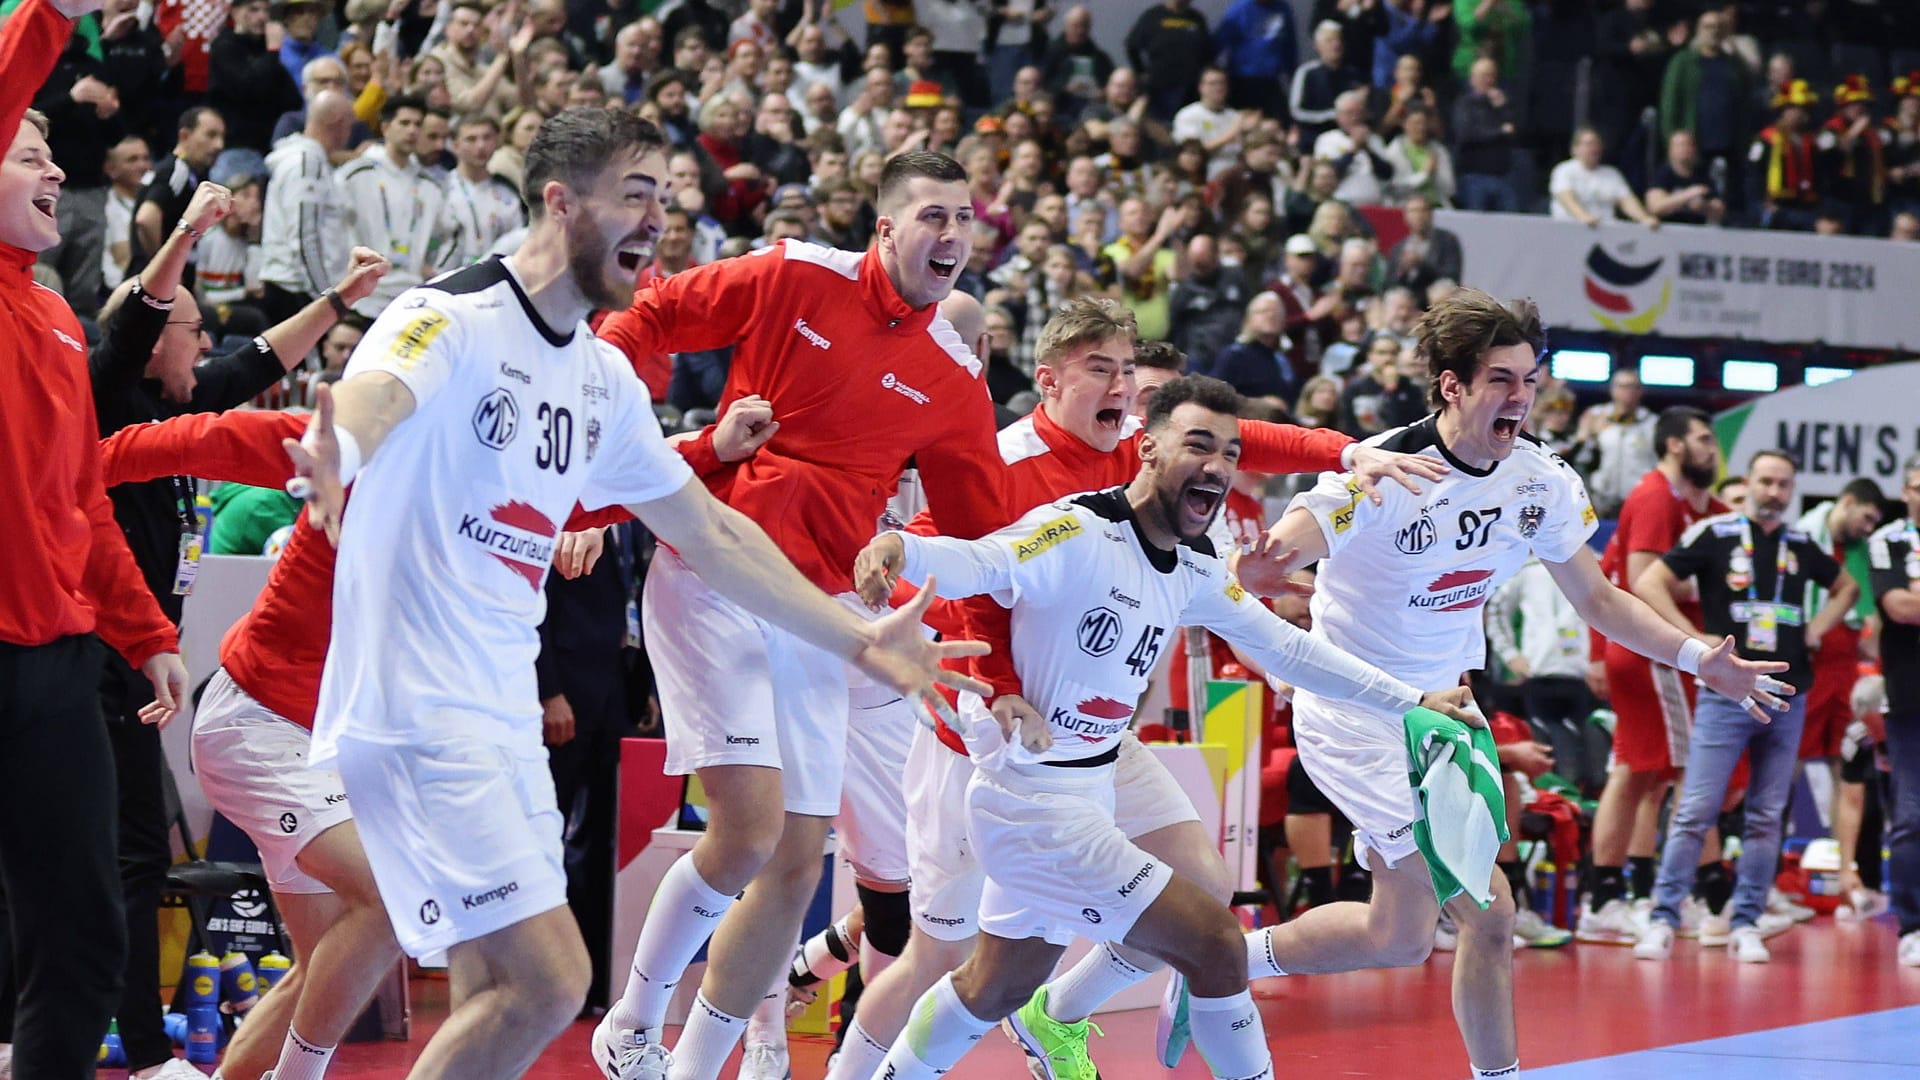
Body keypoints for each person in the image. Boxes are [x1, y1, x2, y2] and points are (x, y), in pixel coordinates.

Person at [280, 111, 983, 1080]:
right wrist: (338, 448)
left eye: (665, 196)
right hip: (420, 705)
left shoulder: (600, 378)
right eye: (635, 195)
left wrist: (863, 641)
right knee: (548, 981)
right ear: (562, 201)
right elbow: (377, 397)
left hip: (504, 713)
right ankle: (646, 1034)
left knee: (499, 990)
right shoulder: (446, 315)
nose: (658, 219)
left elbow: (711, 525)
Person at [823, 300, 1444, 1080]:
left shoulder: (1189, 565)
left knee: (998, 982)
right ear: (1145, 447)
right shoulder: (1068, 520)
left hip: (1089, 771)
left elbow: (1287, 648)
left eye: (1227, 453)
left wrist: (1413, 703)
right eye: (1197, 446)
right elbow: (981, 562)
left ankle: (1026, 1025)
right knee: (1207, 947)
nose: (1218, 464)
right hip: (1008, 774)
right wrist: (896, 551)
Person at [1240, 288, 1791, 1080]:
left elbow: (1600, 600)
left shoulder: (1539, 481)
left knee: (1398, 935)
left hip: (1446, 716)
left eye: (1530, 380)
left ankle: (1226, 961)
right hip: (1356, 711)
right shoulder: (1382, 469)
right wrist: (1264, 566)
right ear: (1452, 385)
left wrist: (1704, 658)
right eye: (1501, 380)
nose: (1521, 398)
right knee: (1492, 912)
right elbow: (1281, 551)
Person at [587, 148, 1012, 1080]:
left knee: (797, 857)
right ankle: (633, 1020)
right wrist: (603, 423)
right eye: (931, 216)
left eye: (963, 219)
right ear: (885, 228)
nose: (950, 234)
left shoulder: (952, 376)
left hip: (825, 613)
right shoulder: (792, 273)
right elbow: (650, 316)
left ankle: (697, 1066)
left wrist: (1001, 656)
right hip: (714, 573)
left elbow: (988, 539)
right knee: (746, 830)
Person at [0, 1, 191, 1075]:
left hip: (59, 668)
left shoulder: (62, 321)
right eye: (27, 153)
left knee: (81, 936)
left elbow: (82, 506)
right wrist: (53, 16)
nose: (53, 171)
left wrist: (146, 629)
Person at [1632, 451, 1856, 963]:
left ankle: (1747, 921)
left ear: (1793, 490)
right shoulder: (1717, 534)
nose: (1774, 491)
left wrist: (1818, 630)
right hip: (1727, 690)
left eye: (1783, 484)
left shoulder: (1801, 544)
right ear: (1748, 482)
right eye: (1765, 481)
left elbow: (1846, 587)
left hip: (1788, 692)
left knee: (1766, 815)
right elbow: (1647, 582)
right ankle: (1663, 918)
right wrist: (1691, 638)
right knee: (1695, 810)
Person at [1580, 406, 1725, 942]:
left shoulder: (1681, 503)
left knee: (1644, 774)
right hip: (1652, 653)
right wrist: (1700, 601)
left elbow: (1616, 575)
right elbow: (1642, 581)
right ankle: (1709, 898)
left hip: (1640, 651)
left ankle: (1618, 895)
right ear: (1675, 446)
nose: (1713, 448)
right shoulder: (1657, 498)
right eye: (1704, 438)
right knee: (1681, 771)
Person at [1865, 457, 1920, 966]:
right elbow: (1899, 607)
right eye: (1918, 488)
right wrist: (1909, 599)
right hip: (1909, 697)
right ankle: (1912, 925)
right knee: (1910, 815)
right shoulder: (1890, 540)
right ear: (1905, 491)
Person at [1794, 481, 1885, 779]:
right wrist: (1810, 634)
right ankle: (1771, 827)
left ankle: (1840, 829)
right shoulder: (1803, 537)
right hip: (1808, 664)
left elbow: (1870, 614)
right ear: (1847, 502)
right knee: (1792, 754)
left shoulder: (1862, 552)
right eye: (1866, 518)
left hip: (1847, 669)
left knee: (1844, 761)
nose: (1869, 528)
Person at [337, 93, 446, 316]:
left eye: (417, 124)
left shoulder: (431, 186)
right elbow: (336, 228)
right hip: (364, 296)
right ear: (385, 128)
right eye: (404, 123)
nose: (412, 130)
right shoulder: (355, 175)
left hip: (412, 295)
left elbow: (439, 237)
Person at [260, 90, 356, 325]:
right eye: (350, 125)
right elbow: (304, 237)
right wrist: (327, 299)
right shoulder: (305, 163)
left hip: (297, 288)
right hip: (295, 291)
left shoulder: (312, 160)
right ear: (338, 122)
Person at [439, 115, 527, 269]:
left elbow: (517, 241)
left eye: (487, 138)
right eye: (471, 139)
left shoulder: (508, 193)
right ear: (456, 145)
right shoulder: (440, 188)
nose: (480, 146)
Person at [1572, 367, 1659, 519]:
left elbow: (1659, 464)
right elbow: (1580, 459)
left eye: (1634, 387)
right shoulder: (1596, 416)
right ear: (1613, 390)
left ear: (1641, 392)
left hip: (1638, 499)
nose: (1628, 391)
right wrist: (1589, 435)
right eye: (1623, 386)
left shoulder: (1652, 423)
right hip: (1599, 499)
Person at [1550, 127, 1660, 227]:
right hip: (1570, 230)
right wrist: (1583, 217)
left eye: (1597, 144)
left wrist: (1644, 218)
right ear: (1575, 149)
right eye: (1589, 144)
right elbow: (1566, 198)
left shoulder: (1612, 174)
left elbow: (1627, 201)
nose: (1594, 148)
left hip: (1605, 233)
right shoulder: (1564, 170)